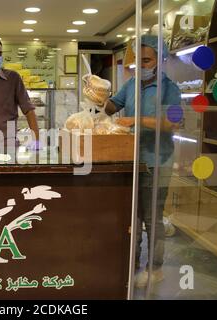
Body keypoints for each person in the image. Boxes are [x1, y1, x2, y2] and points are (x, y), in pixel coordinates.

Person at [86, 35, 181, 287]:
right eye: (139, 60)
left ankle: (155, 268)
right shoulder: (131, 84)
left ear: (160, 60)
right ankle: (133, 263)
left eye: (147, 60)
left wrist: (136, 119)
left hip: (157, 162)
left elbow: (173, 123)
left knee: (152, 218)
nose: (142, 65)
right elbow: (112, 108)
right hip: (131, 161)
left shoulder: (170, 88)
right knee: (133, 218)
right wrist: (98, 97)